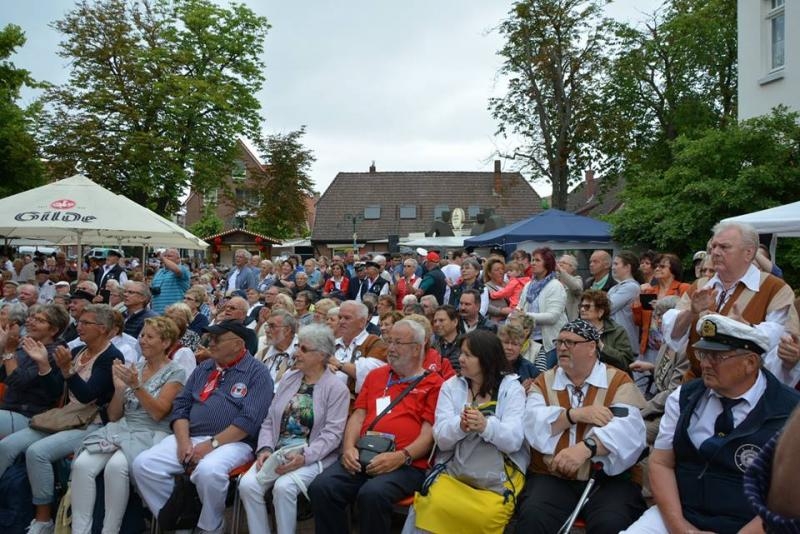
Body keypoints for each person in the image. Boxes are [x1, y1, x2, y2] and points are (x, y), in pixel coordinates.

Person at [622, 314, 799, 534]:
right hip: (681, 516)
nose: (704, 364)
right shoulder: (684, 397)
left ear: (750, 362)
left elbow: (788, 495)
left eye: (717, 357)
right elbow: (661, 463)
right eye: (703, 354)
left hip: (752, 526)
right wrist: (681, 528)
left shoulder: (790, 412)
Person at [132, 320, 273, 534]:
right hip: (191, 436)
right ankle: (183, 522)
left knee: (208, 471)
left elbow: (249, 420)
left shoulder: (257, 373)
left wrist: (210, 445)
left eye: (217, 339)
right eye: (210, 338)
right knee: (144, 465)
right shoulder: (205, 367)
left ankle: (211, 526)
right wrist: (183, 441)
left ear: (237, 344)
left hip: (234, 442)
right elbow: (181, 406)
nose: (210, 344)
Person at [308, 320, 445, 534]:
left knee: (372, 494)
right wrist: (349, 448)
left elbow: (428, 435)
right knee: (322, 487)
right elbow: (358, 415)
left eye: (398, 342)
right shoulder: (376, 376)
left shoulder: (435, 384)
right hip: (364, 454)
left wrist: (401, 456)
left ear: (417, 348)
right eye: (389, 341)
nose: (391, 348)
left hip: (406, 464)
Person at [0, 304, 124, 534]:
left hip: (91, 422)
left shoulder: (111, 356)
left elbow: (88, 395)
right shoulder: (78, 352)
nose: (80, 326)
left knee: (37, 452)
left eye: (86, 323)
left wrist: (67, 370)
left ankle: (43, 519)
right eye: (80, 321)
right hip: (64, 417)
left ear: (103, 328)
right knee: (7, 446)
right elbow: (55, 391)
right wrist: (45, 365)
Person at [516, 319, 647, 534]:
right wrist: (574, 415)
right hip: (553, 476)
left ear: (592, 347)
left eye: (570, 342)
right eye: (559, 342)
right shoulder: (544, 381)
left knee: (611, 523)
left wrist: (586, 448)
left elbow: (629, 430)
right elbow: (532, 423)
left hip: (607, 481)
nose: (562, 348)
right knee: (533, 516)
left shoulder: (618, 381)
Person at [69, 317, 186, 534]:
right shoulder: (136, 367)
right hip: (123, 427)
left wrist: (136, 385)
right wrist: (120, 389)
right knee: (82, 465)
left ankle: (110, 531)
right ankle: (79, 530)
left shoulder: (176, 372)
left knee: (116, 467)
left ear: (165, 342)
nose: (142, 340)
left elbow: (158, 413)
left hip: (152, 431)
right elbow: (114, 416)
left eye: (150, 337)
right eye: (142, 335)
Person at [406, 329, 528, 534]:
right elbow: (441, 439)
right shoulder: (451, 386)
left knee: (485, 517)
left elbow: (514, 441)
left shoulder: (512, 389)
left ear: (486, 359)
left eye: (468, 355)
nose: (460, 359)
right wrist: (460, 426)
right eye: (461, 353)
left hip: (497, 478)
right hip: (454, 471)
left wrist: (486, 426)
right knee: (431, 504)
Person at [238, 324, 350, 534]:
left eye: (303, 349)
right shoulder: (290, 378)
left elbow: (332, 435)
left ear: (322, 355)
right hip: (278, 452)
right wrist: (265, 449)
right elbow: (270, 420)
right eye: (297, 346)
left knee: (284, 487)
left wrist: (304, 457)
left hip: (313, 455)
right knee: (247, 485)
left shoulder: (337, 389)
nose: (296, 352)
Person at [670, 221, 798, 380]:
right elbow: (672, 335)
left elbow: (779, 342)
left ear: (748, 253)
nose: (715, 252)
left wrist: (746, 328)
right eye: (713, 246)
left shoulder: (775, 288)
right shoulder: (700, 285)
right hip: (697, 384)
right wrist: (691, 312)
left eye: (724, 247)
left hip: (746, 387)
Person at [0, 304, 69, 436]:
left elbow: (17, 382)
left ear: (53, 330)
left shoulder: (55, 353)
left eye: (40, 321)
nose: (32, 322)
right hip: (9, 408)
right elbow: (2, 376)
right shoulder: (27, 344)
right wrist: (2, 348)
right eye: (33, 318)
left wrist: (9, 351)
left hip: (30, 415)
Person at [515, 247, 568, 373]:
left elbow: (553, 317)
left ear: (547, 264)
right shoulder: (529, 285)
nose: (533, 263)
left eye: (537, 260)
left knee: (541, 376)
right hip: (528, 340)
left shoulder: (555, 286)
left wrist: (525, 315)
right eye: (532, 260)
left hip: (548, 343)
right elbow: (519, 307)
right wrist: (515, 313)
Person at [635, 253, 690, 365]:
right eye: (656, 266)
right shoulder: (650, 291)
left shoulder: (683, 288)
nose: (657, 269)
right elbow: (639, 322)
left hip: (672, 349)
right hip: (650, 349)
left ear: (673, 269)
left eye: (662, 266)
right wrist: (638, 296)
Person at [329, 300, 388, 396]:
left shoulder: (375, 343)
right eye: (340, 317)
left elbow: (370, 375)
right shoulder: (332, 343)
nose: (341, 321)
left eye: (347, 318)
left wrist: (338, 364)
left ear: (362, 322)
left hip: (354, 402)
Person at [580, 289, 635, 372]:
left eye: (587, 307)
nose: (582, 309)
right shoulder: (575, 330)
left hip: (611, 377)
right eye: (581, 306)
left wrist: (602, 346)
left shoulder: (617, 331)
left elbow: (626, 363)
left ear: (600, 312)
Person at [608, 251, 641, 356]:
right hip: (614, 340)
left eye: (616, 264)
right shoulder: (615, 287)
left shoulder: (631, 287)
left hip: (624, 343)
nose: (613, 267)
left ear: (627, 267)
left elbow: (607, 307)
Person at [259, 310, 299, 390]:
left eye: (272, 326)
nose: (267, 330)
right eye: (267, 326)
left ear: (287, 330)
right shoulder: (263, 353)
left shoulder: (301, 355)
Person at [498, 323, 538, 390]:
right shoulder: (489, 366)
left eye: (514, 344)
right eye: (506, 342)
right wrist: (520, 390)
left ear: (521, 347)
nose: (509, 347)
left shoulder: (530, 370)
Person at [150, 249, 190, 314]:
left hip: (175, 314)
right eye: (165, 256)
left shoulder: (183, 269)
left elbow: (177, 270)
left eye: (169, 256)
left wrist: (163, 258)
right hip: (157, 313)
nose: (166, 258)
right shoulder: (159, 272)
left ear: (178, 259)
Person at [432, 305, 461, 371]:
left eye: (441, 320)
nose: (436, 324)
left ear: (455, 322)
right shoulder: (432, 346)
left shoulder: (465, 345)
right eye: (435, 321)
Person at [556, 254, 584, 321]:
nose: (560, 264)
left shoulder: (577, 279)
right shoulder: (554, 280)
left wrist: (561, 270)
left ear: (572, 268)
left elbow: (576, 287)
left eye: (564, 263)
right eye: (559, 262)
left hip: (569, 320)